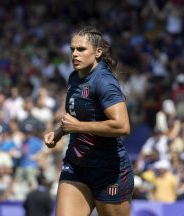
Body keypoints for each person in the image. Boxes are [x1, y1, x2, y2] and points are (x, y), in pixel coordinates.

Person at [44, 26, 133, 216]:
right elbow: (77, 117)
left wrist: (79, 127)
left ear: (98, 52)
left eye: (81, 49)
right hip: (76, 164)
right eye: (72, 49)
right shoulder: (74, 77)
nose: (74, 54)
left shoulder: (104, 82)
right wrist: (59, 133)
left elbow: (123, 126)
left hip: (108, 170)